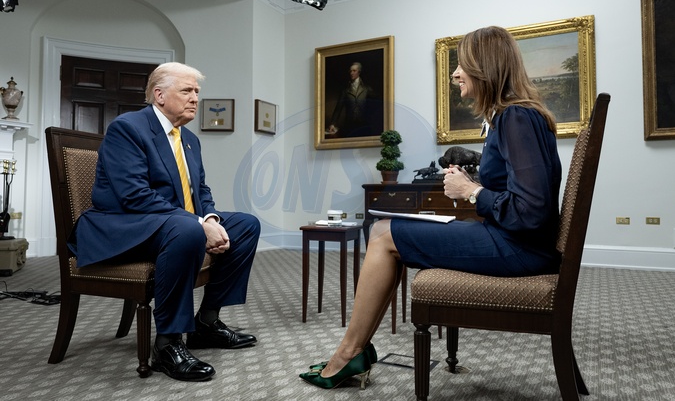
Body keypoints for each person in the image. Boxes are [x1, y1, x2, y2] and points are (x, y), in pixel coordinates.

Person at [300, 26, 563, 390]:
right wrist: (473, 187)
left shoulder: (516, 116)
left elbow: (532, 211)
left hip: (520, 249)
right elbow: (520, 194)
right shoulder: (515, 115)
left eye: (463, 65)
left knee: (382, 233)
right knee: (386, 229)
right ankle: (352, 351)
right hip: (514, 240)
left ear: (486, 67)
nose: (455, 73)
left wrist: (471, 191)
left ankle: (348, 354)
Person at [69, 62, 261, 382]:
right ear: (159, 95)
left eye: (197, 91)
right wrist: (199, 223)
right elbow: (133, 196)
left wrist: (211, 218)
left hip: (173, 223)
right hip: (126, 225)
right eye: (187, 91)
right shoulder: (128, 128)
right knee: (187, 229)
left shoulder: (190, 139)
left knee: (246, 225)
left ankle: (206, 323)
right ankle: (168, 343)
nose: (195, 98)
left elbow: (201, 190)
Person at [326, 62, 380, 138]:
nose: (351, 73)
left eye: (354, 71)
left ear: (359, 72)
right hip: (349, 125)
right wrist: (333, 124)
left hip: (364, 124)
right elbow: (338, 108)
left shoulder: (366, 89)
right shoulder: (345, 90)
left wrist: (371, 117)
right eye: (350, 71)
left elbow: (376, 103)